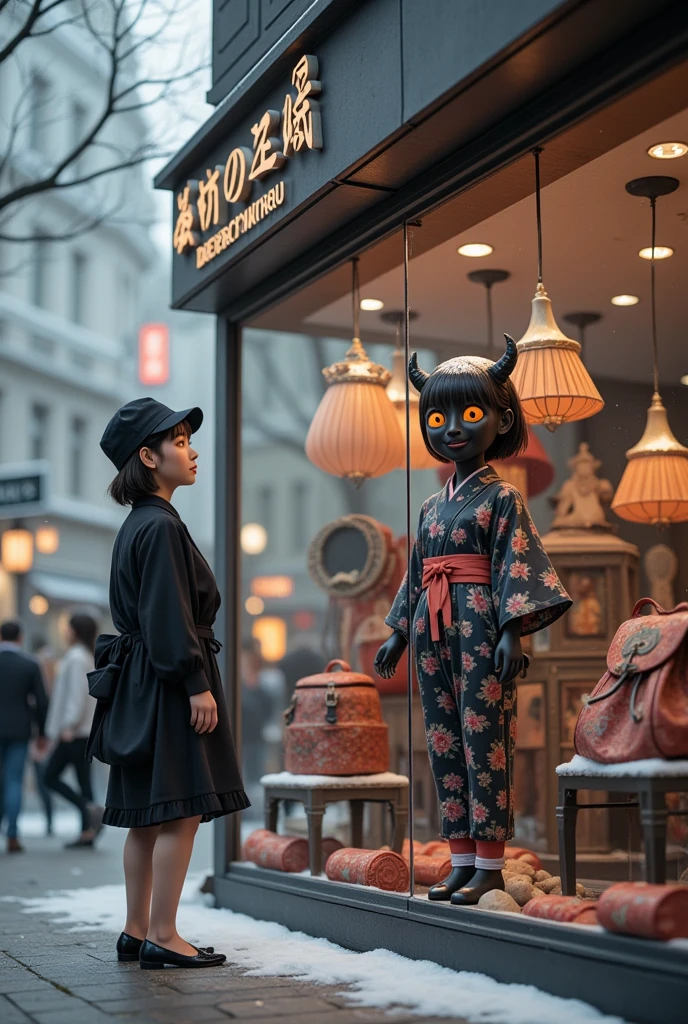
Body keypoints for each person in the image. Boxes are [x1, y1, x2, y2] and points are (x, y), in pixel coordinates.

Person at [375, 337, 571, 906]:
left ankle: (489, 864)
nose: (452, 428)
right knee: (443, 740)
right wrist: (398, 631)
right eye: (437, 417)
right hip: (433, 630)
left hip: (482, 624)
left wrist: (513, 631)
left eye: (470, 413)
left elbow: (516, 562)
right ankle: (460, 860)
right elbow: (417, 572)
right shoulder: (431, 506)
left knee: (486, 741)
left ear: (501, 419)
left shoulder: (504, 497)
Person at [91, 398, 248, 970]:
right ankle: (164, 933)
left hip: (142, 683)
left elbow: (155, 616)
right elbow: (167, 616)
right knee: (179, 811)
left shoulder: (140, 523)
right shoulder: (159, 526)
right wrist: (194, 682)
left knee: (148, 815)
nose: (193, 449)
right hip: (166, 683)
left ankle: (138, 930)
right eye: (180, 441)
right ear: (148, 456)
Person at [44, 613, 104, 848]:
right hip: (83, 730)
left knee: (50, 776)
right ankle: (87, 832)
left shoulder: (77, 658)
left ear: (75, 631)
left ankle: (88, 809)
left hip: (75, 731)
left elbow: (77, 696)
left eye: (68, 628)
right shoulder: (85, 656)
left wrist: (68, 724)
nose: (65, 632)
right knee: (83, 780)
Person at [0, 621, 48, 853]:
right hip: (19, 730)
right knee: (14, 781)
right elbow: (41, 701)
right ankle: (12, 834)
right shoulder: (29, 664)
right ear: (19, 638)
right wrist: (42, 733)